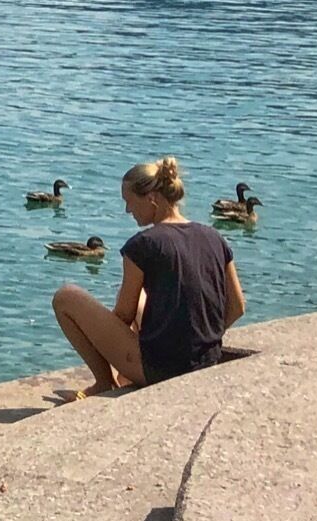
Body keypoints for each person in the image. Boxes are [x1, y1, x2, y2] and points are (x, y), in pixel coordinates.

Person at [50, 155, 244, 398]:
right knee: (143, 296)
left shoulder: (143, 245)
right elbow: (237, 306)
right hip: (206, 362)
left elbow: (123, 315)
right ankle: (131, 370)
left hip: (161, 369)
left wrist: (117, 349)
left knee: (66, 297)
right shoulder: (214, 236)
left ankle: (103, 382)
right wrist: (201, 341)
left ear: (151, 198)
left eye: (129, 201)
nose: (127, 209)